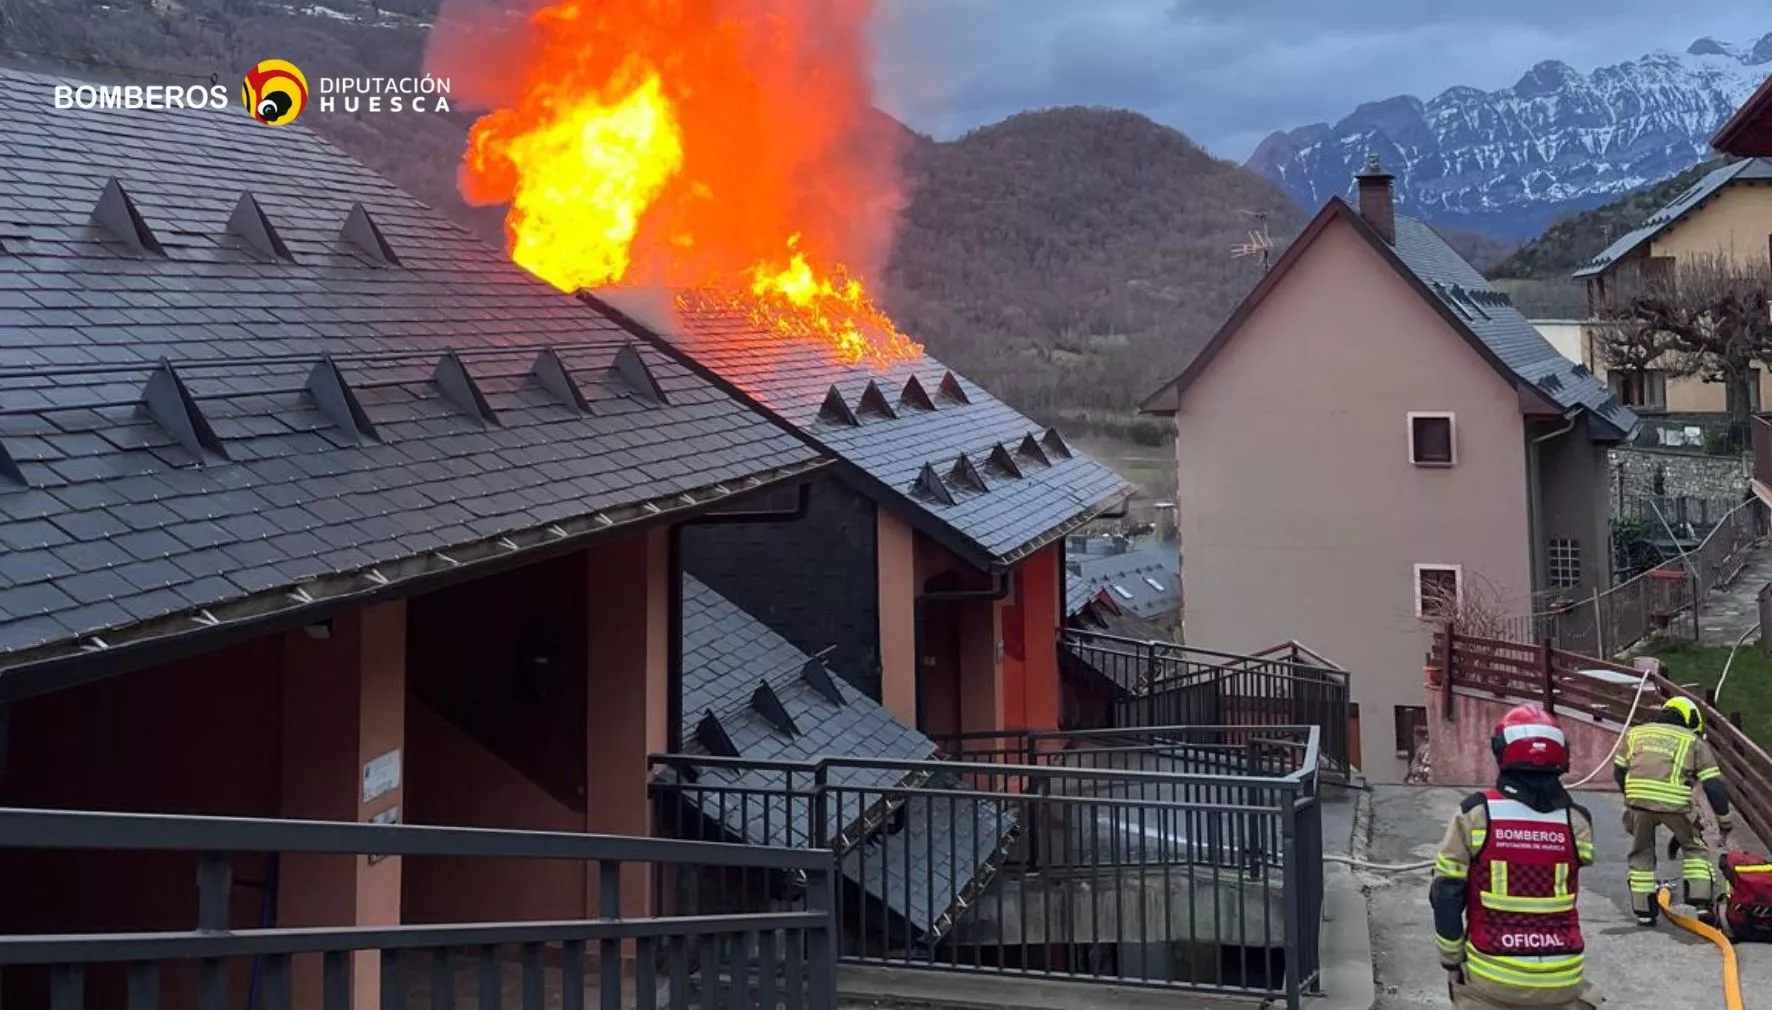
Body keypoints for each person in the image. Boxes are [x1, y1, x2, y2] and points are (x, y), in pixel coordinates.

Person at [1432, 704, 1597, 1009]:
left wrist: (1451, 960)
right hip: (1562, 978)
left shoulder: (1475, 814)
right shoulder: (1578, 821)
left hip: (1493, 977)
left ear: (1501, 753)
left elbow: (1446, 892)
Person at [1613, 695, 1733, 926]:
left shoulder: (1636, 733)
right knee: (1694, 847)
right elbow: (1713, 786)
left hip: (1639, 803)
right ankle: (1700, 907)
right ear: (1690, 720)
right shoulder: (1693, 741)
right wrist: (1724, 820)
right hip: (1675, 804)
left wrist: (1630, 797)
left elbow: (1619, 771)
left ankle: (1644, 912)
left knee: (1641, 853)